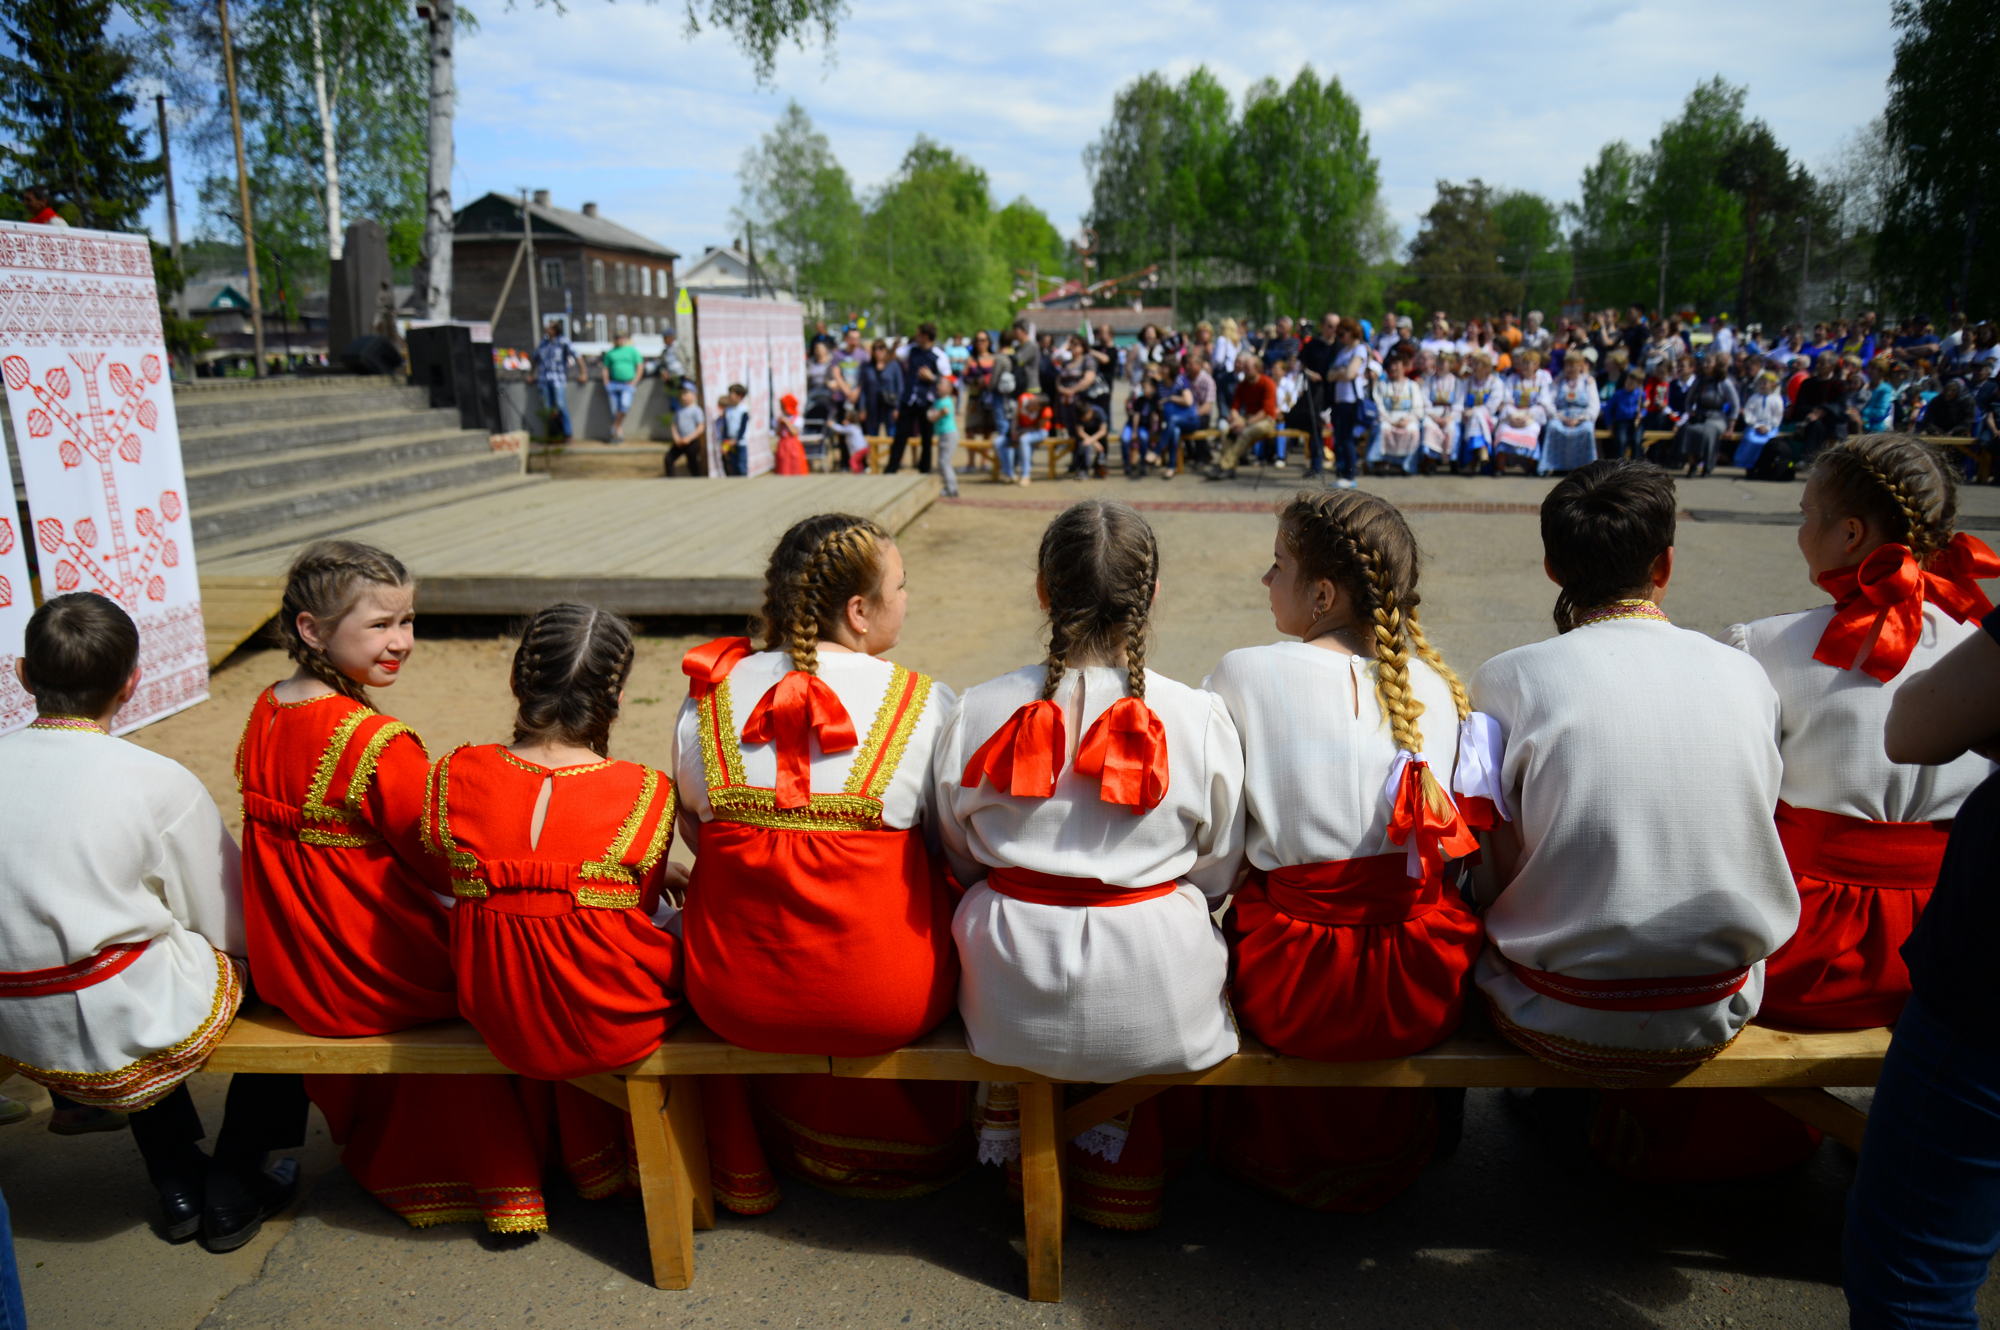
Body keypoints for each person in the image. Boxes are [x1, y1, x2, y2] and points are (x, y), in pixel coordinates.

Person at [238, 541, 589, 1235]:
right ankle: (530, 1167)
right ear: (311, 630)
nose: (401, 641)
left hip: (293, 956)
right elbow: (442, 859)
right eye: (380, 625)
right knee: (524, 960)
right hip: (364, 964)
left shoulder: (267, 708)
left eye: (408, 621)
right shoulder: (372, 738)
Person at [937, 500, 1245, 1229]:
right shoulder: (1197, 716)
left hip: (1009, 985)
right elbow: (1219, 869)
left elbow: (955, 854)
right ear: (1153, 595)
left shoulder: (976, 708)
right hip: (1155, 987)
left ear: (1044, 589)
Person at [674, 515, 964, 1215]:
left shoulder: (709, 691)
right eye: (902, 585)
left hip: (733, 997)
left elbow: (692, 825)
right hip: (886, 1000)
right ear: (859, 611)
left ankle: (769, 1142)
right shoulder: (924, 702)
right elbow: (948, 847)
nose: (907, 597)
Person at [0, 593, 307, 1251]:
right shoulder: (151, 779)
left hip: (13, 1018)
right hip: (110, 1009)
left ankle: (174, 1173)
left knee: (135, 964)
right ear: (133, 683)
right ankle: (239, 1172)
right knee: (261, 974)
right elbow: (224, 916)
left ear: (23, 674)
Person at [1207, 490, 1484, 1212]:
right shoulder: (1436, 687)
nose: (1266, 582)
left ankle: (1274, 1152)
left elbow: (1223, 845)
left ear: (1323, 593)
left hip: (1300, 985)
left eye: (1278, 566)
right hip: (1423, 981)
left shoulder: (1243, 672)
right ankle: (1401, 1143)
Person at [1733, 436, 1998, 1030]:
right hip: (1954, 933)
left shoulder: (1766, 646)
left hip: (1807, 945)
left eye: (1807, 515)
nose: (1801, 532)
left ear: (1851, 534)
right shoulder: (1983, 649)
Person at [432, 605, 685, 1081]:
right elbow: (640, 908)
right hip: (612, 1022)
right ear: (617, 698)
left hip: (498, 1014)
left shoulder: (455, 772)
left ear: (517, 682)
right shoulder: (645, 789)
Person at [1844, 606, 2000, 1326]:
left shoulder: (1772, 646)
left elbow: (1916, 729)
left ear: (1847, 533)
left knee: (1914, 1282)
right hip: (1910, 921)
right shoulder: (1958, 626)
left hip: (1851, 951)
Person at [1209, 352, 1278, 479]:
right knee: (1227, 431)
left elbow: (1266, 411)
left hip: (1267, 420)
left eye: (1247, 367)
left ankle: (1223, 466)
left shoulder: (1267, 383)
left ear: (1257, 369)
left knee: (1246, 433)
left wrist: (1245, 424)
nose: (1243, 370)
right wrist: (1236, 421)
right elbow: (1234, 407)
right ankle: (1230, 468)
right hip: (1248, 417)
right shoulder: (1243, 385)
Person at [888, 322, 942, 474]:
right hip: (909, 399)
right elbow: (893, 356)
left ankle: (925, 470)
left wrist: (932, 377)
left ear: (925, 336)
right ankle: (891, 469)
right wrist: (894, 347)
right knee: (900, 436)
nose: (915, 337)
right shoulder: (912, 350)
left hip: (926, 401)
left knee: (926, 437)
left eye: (918, 334)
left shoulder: (938, 355)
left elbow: (950, 380)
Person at [1538, 350, 1600, 475]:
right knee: (1553, 427)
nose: (1570, 369)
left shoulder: (1588, 381)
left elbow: (1594, 406)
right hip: (1561, 417)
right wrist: (1560, 417)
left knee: (1587, 429)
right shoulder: (1558, 380)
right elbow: (1548, 402)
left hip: (1581, 418)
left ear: (1581, 366)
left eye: (1573, 365)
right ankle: (1552, 466)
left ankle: (1586, 468)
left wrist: (1580, 419)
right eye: (1568, 365)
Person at [1679, 355, 1742, 478]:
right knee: (1687, 430)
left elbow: (1735, 405)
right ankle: (1692, 464)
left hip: (1717, 418)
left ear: (1716, 365)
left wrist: (1731, 427)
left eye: (1708, 362)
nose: (1705, 365)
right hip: (1699, 416)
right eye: (1704, 362)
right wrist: (1689, 411)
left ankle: (1707, 465)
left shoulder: (1724, 382)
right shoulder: (1698, 381)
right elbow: (1688, 401)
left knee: (1708, 432)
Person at [1367, 351, 1424, 475]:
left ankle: (1407, 466)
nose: (1393, 368)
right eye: (1392, 365)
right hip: (1388, 418)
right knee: (1383, 428)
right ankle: (1380, 463)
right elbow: (1379, 406)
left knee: (1413, 430)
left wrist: (1407, 420)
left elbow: (1417, 407)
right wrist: (1391, 421)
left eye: (1397, 365)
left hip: (1406, 419)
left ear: (1405, 367)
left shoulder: (1412, 386)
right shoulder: (1383, 385)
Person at [1493, 349, 1548, 474]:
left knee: (1532, 430)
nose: (1526, 366)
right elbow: (1507, 400)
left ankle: (1531, 466)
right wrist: (1511, 415)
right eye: (1524, 362)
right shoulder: (1513, 379)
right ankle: (1500, 466)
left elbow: (1542, 402)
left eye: (1530, 363)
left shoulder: (1541, 381)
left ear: (1537, 365)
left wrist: (1529, 416)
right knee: (1504, 429)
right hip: (1513, 413)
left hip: (1531, 416)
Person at [532, 320, 582, 443]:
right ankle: (552, 435)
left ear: (555, 330)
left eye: (549, 327)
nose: (546, 329)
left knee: (560, 405)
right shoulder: (544, 343)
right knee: (546, 408)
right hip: (543, 379)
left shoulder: (563, 341)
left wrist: (584, 373)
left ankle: (567, 433)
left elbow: (577, 355)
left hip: (558, 379)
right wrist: (531, 374)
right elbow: (535, 358)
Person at [1457, 352, 1505, 472]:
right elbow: (1459, 402)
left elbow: (1492, 407)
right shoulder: (1467, 383)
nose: (1473, 367)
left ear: (1486, 367)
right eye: (1473, 364)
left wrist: (1473, 411)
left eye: (1477, 364)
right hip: (1468, 416)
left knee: (1476, 417)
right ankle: (1482, 451)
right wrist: (1464, 412)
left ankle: (1473, 458)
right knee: (1474, 418)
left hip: (1489, 418)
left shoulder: (1495, 383)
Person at [1733, 370, 1787, 474]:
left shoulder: (1777, 400)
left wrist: (1767, 427)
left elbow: (1777, 416)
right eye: (1761, 383)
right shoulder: (1754, 398)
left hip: (1769, 428)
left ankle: (1763, 465)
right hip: (1754, 426)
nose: (1762, 386)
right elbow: (1748, 412)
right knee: (1750, 439)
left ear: (1772, 385)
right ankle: (1749, 465)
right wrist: (1756, 425)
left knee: (1767, 441)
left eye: (1765, 383)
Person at [599, 329, 642, 443]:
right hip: (613, 383)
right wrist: (606, 382)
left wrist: (635, 380)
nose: (619, 340)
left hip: (628, 384)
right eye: (617, 338)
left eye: (621, 338)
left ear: (625, 339)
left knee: (624, 406)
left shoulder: (632, 351)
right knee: (614, 411)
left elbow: (640, 366)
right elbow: (605, 368)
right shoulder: (610, 353)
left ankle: (613, 429)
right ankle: (619, 434)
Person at [857, 340, 903, 440]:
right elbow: (864, 390)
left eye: (881, 348)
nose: (877, 351)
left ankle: (894, 456)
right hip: (873, 407)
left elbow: (900, 388)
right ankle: (874, 456)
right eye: (875, 349)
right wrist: (862, 408)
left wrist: (898, 408)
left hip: (889, 406)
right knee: (873, 436)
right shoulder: (868, 367)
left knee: (892, 436)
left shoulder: (893, 365)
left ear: (886, 350)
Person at [927, 375, 962, 497]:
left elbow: (932, 417)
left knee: (944, 462)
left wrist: (936, 414)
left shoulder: (947, 401)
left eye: (941, 384)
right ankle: (950, 487)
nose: (938, 386)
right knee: (943, 462)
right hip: (944, 435)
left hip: (949, 434)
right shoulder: (938, 401)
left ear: (949, 388)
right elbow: (931, 416)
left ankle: (952, 489)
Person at [665, 384, 706, 477]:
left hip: (691, 441)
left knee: (693, 463)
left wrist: (688, 439)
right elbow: (674, 425)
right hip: (680, 441)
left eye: (685, 394)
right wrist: (676, 437)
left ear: (694, 395)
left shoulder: (696, 410)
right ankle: (670, 482)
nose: (683, 396)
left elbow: (701, 427)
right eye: (681, 394)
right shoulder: (679, 410)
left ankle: (698, 482)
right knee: (668, 459)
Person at [1605, 369, 1646, 462]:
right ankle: (1620, 463)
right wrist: (1609, 425)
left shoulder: (1641, 394)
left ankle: (1636, 464)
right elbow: (1608, 410)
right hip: (1621, 422)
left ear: (1639, 384)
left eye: (1631, 383)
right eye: (1627, 382)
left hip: (1635, 421)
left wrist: (1641, 414)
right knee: (1621, 440)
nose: (1628, 384)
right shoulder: (1618, 394)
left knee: (1637, 440)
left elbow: (1644, 408)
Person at [716, 382, 750, 476]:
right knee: (732, 466)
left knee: (741, 467)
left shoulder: (743, 411)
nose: (729, 396)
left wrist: (736, 440)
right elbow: (726, 427)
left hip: (740, 443)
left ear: (739, 396)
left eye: (732, 394)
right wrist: (725, 441)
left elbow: (743, 428)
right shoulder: (728, 410)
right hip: (729, 442)